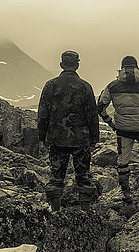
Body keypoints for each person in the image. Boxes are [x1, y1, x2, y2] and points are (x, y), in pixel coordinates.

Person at [97, 56, 139, 203]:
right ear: (137, 67)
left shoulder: (112, 86)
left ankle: (126, 195)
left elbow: (101, 106)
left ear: (121, 69)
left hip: (122, 129)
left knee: (123, 161)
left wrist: (110, 122)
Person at [38, 50, 99, 211]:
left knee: (56, 176)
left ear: (61, 64)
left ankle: (55, 210)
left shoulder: (50, 85)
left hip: (57, 138)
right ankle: (85, 211)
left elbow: (43, 113)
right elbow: (92, 114)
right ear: (77, 65)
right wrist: (94, 138)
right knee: (83, 176)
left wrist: (42, 137)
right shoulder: (85, 87)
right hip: (81, 139)